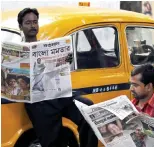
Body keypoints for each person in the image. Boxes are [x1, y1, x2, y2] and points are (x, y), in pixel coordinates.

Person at [18, 8, 98, 147]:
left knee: (89, 110)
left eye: (35, 22)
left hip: (60, 94)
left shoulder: (47, 46)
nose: (32, 26)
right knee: (54, 142)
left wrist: (66, 60)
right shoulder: (17, 51)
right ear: (20, 26)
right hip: (38, 102)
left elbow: (59, 72)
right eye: (28, 23)